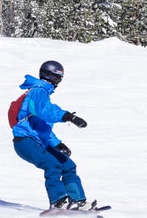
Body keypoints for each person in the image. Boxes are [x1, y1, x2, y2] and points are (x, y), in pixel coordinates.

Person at [11, 60, 90, 209]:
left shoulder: (40, 93)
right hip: (25, 141)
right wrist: (68, 116)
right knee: (52, 164)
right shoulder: (38, 91)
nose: (58, 83)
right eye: (57, 78)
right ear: (48, 76)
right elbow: (45, 111)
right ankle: (58, 202)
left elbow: (40, 125)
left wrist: (57, 143)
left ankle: (77, 201)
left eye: (60, 79)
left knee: (68, 165)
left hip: (37, 140)